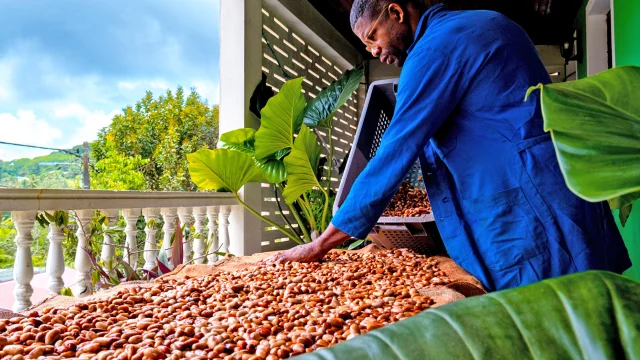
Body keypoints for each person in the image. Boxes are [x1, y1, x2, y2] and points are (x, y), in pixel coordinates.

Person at [265, 0, 631, 291]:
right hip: (558, 188)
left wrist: (322, 244)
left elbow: (397, 148)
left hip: (527, 209)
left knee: (556, 320)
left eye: (373, 36)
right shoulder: (486, 21)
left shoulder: (434, 51)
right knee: (597, 307)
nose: (374, 51)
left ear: (396, 12)